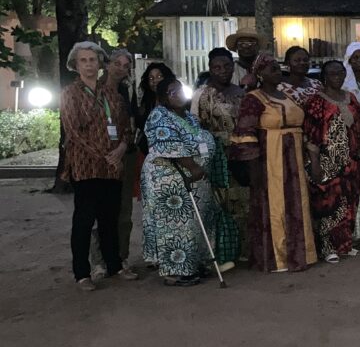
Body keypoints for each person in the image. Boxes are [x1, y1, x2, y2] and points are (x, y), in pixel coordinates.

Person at [60, 42, 139, 291]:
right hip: (85, 167)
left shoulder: (112, 95)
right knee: (84, 221)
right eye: (83, 60)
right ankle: (82, 274)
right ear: (75, 65)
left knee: (109, 219)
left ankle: (114, 265)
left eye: (92, 60)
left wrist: (121, 149)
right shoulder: (70, 94)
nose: (89, 65)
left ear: (100, 63)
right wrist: (104, 154)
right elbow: (73, 132)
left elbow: (126, 128)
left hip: (112, 167)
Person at [231, 53, 317, 272]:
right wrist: (254, 167)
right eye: (272, 70)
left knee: (298, 202)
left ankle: (300, 255)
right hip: (271, 157)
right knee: (275, 204)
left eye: (279, 69)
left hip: (294, 158)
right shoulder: (254, 98)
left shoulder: (287, 96)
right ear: (260, 74)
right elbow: (245, 133)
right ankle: (277, 257)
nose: (278, 73)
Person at [141, 78, 218, 286]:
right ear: (163, 97)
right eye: (172, 92)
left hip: (195, 179)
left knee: (193, 224)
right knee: (175, 226)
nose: (178, 95)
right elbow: (168, 145)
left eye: (180, 90)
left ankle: (195, 262)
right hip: (170, 178)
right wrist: (193, 166)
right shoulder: (159, 116)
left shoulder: (188, 117)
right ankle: (176, 271)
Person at [303, 60, 360, 262]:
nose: (337, 77)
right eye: (332, 74)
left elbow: (359, 127)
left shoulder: (351, 98)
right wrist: (314, 164)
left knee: (350, 201)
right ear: (324, 76)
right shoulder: (316, 101)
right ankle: (328, 247)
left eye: (340, 73)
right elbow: (311, 136)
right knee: (328, 204)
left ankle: (345, 244)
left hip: (352, 159)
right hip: (327, 161)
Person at [193, 47, 247, 269]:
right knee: (222, 204)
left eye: (226, 66)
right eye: (217, 67)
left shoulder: (242, 92)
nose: (222, 70)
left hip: (243, 153)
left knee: (245, 201)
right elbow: (196, 127)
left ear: (233, 67)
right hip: (216, 155)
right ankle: (224, 254)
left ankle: (244, 251)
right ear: (209, 69)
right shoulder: (201, 95)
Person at [88, 48, 138, 275]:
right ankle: (98, 260)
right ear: (107, 65)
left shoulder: (128, 91)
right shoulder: (93, 89)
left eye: (126, 65)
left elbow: (131, 122)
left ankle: (121, 257)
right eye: (117, 64)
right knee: (101, 209)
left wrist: (123, 148)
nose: (121, 69)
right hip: (99, 157)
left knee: (124, 211)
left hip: (124, 153)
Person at [137, 62, 174, 155]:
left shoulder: (175, 100)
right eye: (151, 78)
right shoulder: (147, 101)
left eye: (159, 76)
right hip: (148, 153)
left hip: (171, 152)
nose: (155, 81)